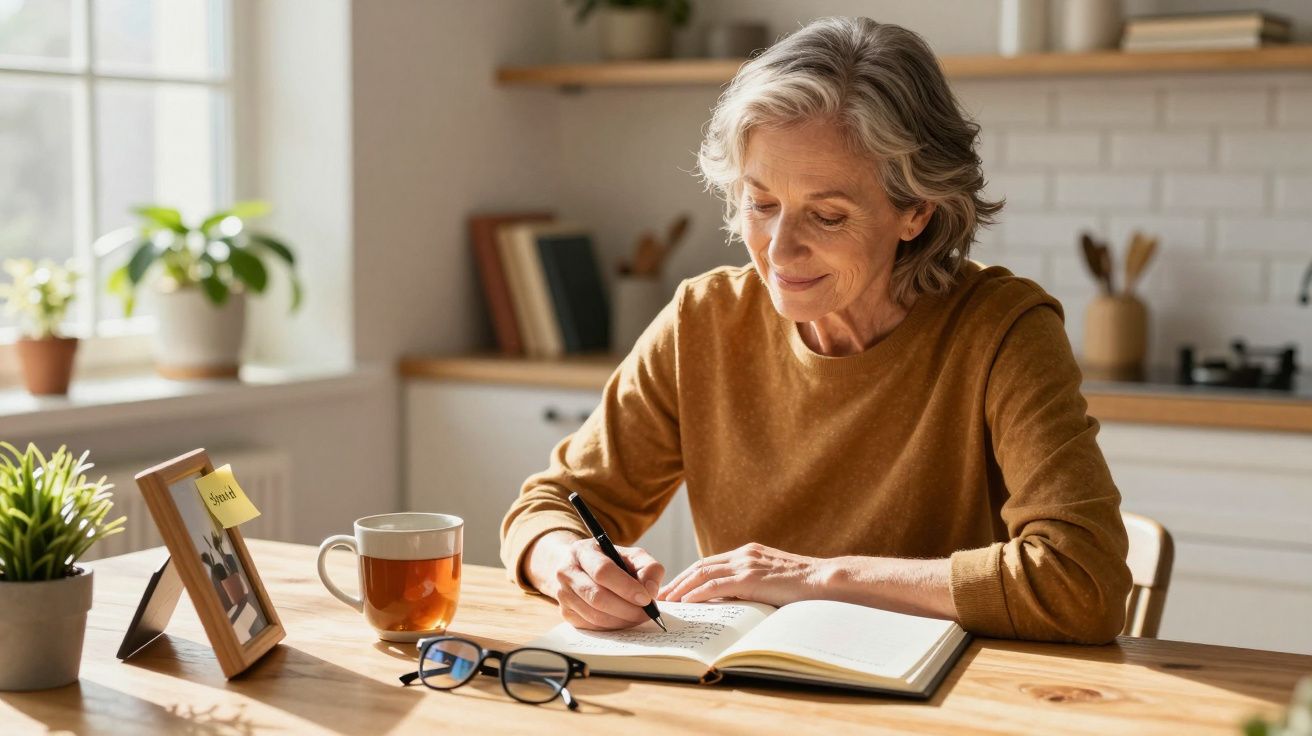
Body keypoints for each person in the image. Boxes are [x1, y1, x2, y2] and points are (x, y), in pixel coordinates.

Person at [500, 16, 1132, 644]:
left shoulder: (1001, 331)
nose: (779, 251)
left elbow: (1083, 582)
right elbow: (548, 507)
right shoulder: (705, 319)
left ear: (915, 210)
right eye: (761, 203)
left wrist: (821, 577)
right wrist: (567, 564)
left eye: (827, 216)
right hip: (744, 693)